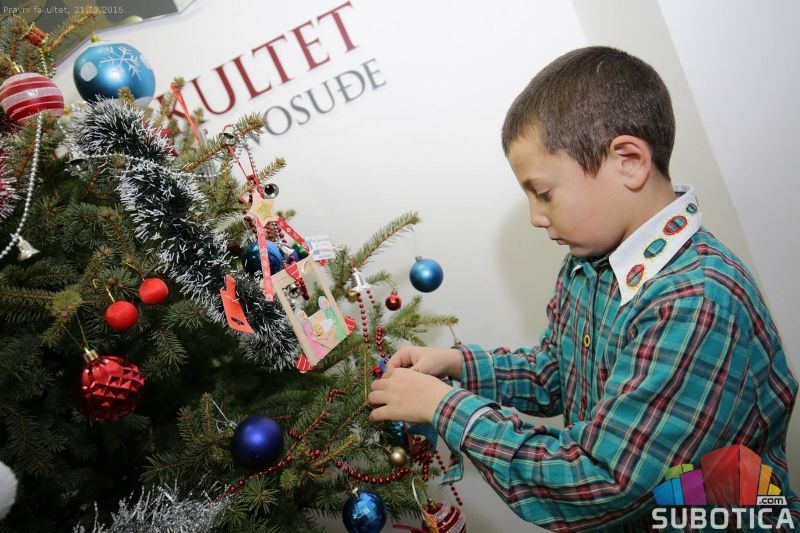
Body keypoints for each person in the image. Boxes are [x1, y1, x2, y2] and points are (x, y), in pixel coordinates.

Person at [368, 46, 799, 531]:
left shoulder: (694, 301)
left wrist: (445, 407)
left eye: (543, 193)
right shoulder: (588, 264)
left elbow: (602, 481)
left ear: (629, 162)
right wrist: (456, 365)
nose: (536, 217)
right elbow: (556, 371)